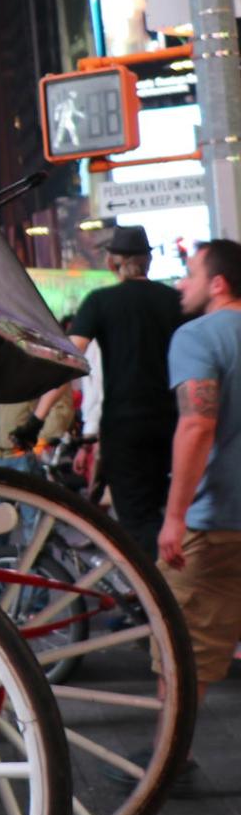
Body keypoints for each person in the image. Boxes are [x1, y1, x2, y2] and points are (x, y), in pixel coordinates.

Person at [43, 225, 180, 555]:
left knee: (137, 520)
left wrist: (38, 415)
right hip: (174, 424)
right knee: (171, 510)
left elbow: (69, 360)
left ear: (111, 262)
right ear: (148, 261)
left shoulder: (100, 302)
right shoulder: (175, 300)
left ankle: (157, 583)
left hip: (124, 427)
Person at [158, 238, 241, 697]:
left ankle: (174, 741)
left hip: (216, 524)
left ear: (218, 283)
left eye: (190, 275)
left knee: (182, 652)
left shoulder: (197, 336)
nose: (180, 285)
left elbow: (196, 426)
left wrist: (175, 516)